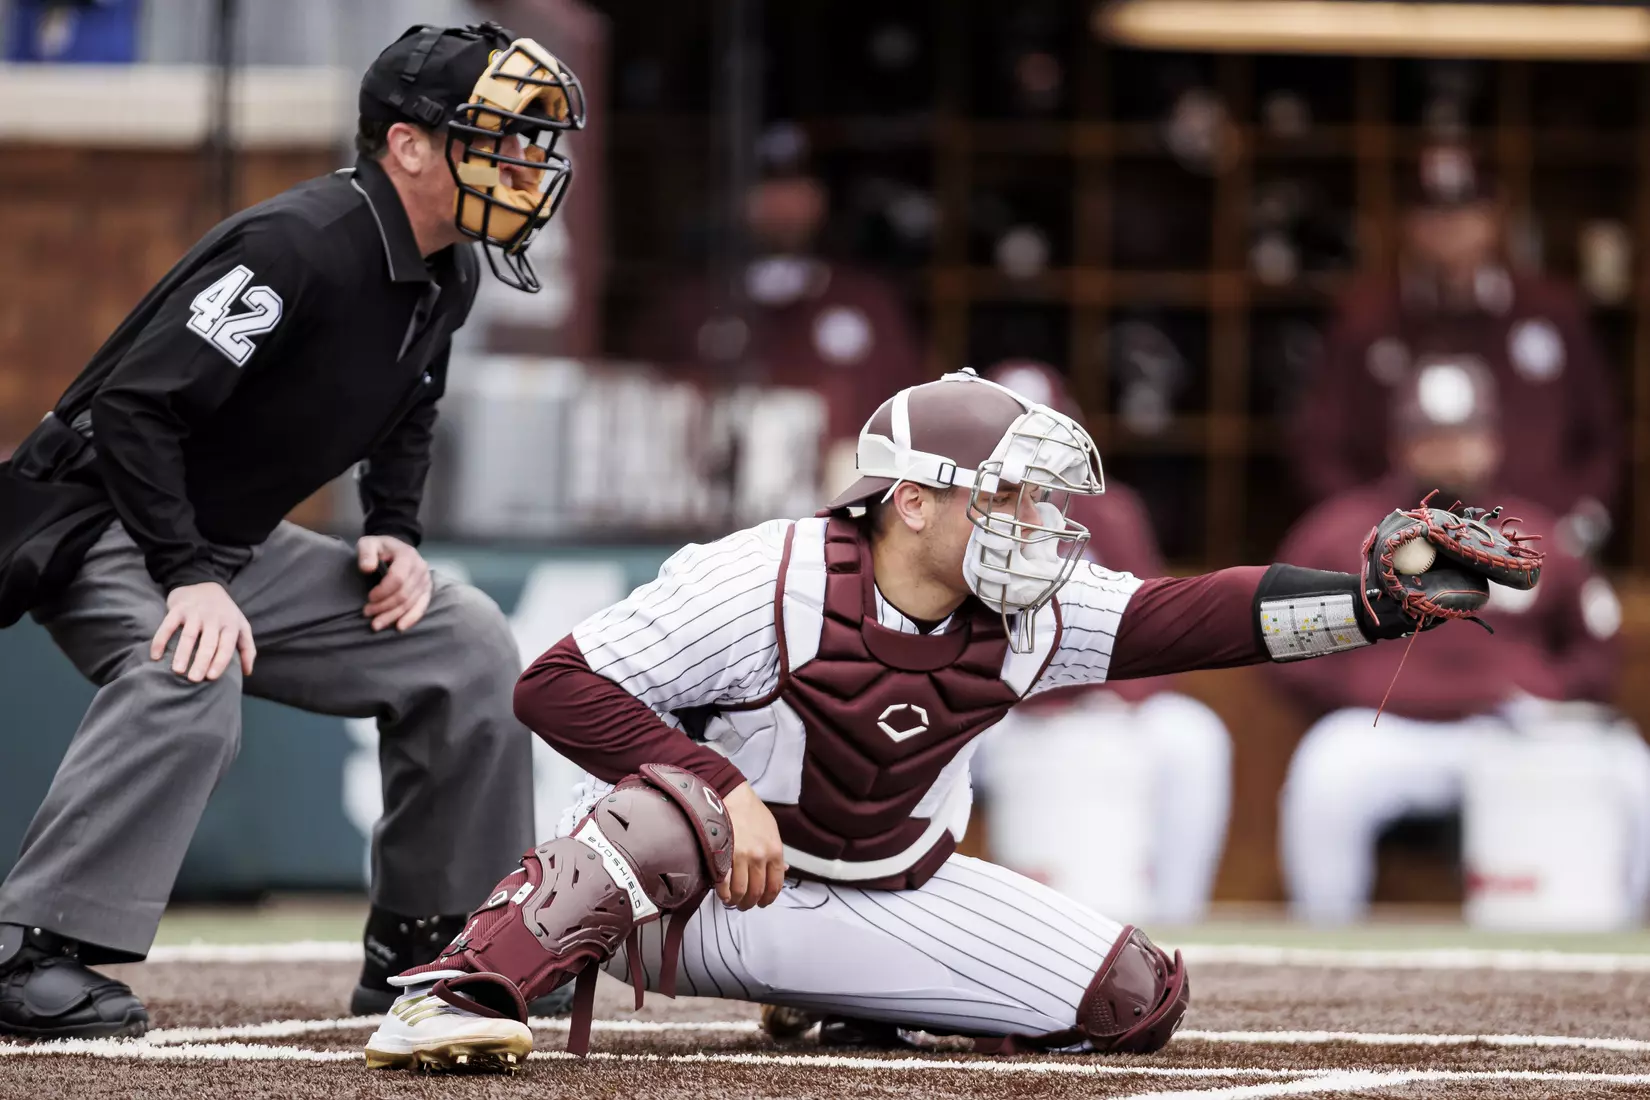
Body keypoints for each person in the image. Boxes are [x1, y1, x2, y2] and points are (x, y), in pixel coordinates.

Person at [358, 368, 1533, 1071]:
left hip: (883, 880)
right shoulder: (765, 575)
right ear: (912, 500)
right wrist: (716, 783)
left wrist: (1373, 604)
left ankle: (831, 991)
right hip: (697, 893)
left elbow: (1196, 617)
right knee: (664, 809)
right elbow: (552, 682)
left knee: (1135, 1001)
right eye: (1008, 491)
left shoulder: (1033, 606)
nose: (1036, 517)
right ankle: (463, 987)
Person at [0, 22, 585, 1039]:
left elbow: (413, 405)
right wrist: (185, 573)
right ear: (408, 145)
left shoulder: (452, 269)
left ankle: (427, 938)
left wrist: (396, 529)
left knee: (462, 637)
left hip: (226, 545)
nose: (526, 161)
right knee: (191, 670)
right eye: (497, 136)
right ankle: (26, 948)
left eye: (531, 139)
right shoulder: (298, 243)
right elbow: (135, 407)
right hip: (106, 522)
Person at [1271, 357, 1650, 924]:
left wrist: (1547, 688)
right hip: (1390, 727)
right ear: (1402, 442)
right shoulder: (1340, 530)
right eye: (1433, 435)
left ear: (1493, 440)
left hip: (1513, 728)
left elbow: (1598, 644)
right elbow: (1278, 632)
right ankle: (1326, 940)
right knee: (1325, 770)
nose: (1450, 449)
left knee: (1629, 767)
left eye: (1465, 433)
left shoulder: (1536, 531)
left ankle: (1624, 939)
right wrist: (1353, 682)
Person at [975, 361, 1231, 925]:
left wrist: (1118, 696)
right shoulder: (958, 515)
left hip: (1103, 702)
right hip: (991, 709)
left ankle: (1180, 918)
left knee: (1194, 738)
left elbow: (1158, 623)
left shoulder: (1111, 511)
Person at [1290, 144, 1621, 554]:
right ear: (1406, 221)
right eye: (1432, 211)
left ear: (1495, 214)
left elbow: (1601, 436)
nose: (1449, 226)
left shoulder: (1553, 311)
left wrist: (1576, 525)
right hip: (1401, 555)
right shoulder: (1365, 317)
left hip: (1532, 544)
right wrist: (1363, 531)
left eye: (1465, 208)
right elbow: (1321, 442)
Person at [629, 122, 927, 496]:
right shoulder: (696, 303)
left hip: (838, 508)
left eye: (796, 189)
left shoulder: (867, 302)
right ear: (739, 199)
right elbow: (646, 407)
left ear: (820, 199)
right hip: (717, 505)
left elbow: (914, 409)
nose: (783, 206)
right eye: (769, 189)